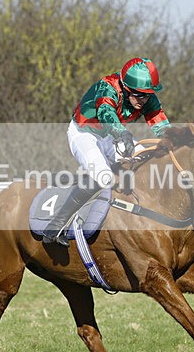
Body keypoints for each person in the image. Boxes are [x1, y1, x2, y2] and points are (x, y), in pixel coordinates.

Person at [42, 57, 172, 246]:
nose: (143, 101)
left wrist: (174, 141)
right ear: (126, 89)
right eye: (138, 95)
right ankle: (56, 226)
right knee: (102, 176)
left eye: (147, 95)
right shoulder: (107, 87)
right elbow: (106, 113)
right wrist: (121, 132)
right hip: (84, 133)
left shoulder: (146, 97)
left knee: (145, 162)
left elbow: (159, 121)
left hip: (111, 136)